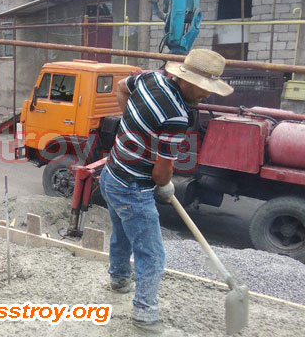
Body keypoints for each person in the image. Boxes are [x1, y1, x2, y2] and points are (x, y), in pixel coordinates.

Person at [99, 49, 233, 334]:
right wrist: (165, 183)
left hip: (111, 174)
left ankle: (119, 280)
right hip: (133, 188)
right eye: (204, 88)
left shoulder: (150, 78)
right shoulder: (176, 116)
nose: (207, 95)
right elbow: (161, 174)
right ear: (187, 81)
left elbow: (121, 87)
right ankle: (145, 315)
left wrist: (133, 126)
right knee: (152, 254)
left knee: (122, 234)